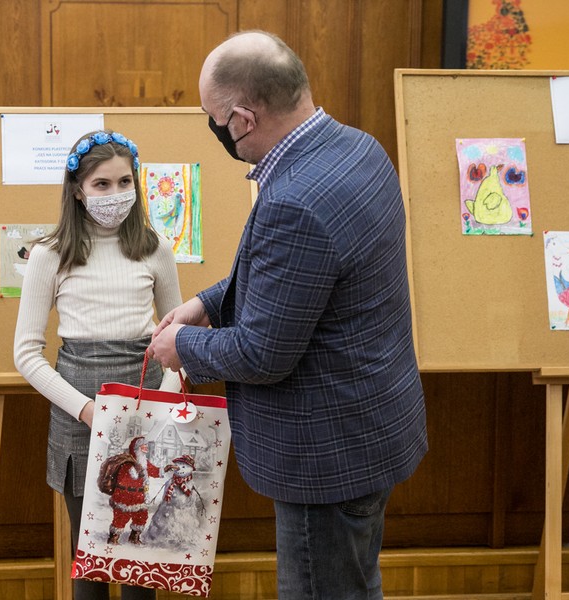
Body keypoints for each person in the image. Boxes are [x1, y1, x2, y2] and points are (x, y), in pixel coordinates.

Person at [148, 31, 428, 599]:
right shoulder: (358, 148)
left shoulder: (294, 200)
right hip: (371, 427)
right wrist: (207, 302)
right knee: (354, 584)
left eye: (214, 120)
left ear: (244, 119)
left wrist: (183, 346)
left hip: (324, 455)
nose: (216, 132)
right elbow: (297, 278)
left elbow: (261, 353)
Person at [14, 130, 182, 600]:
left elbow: (178, 341)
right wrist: (88, 410)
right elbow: (26, 354)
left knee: (139, 555)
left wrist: (158, 403)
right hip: (79, 415)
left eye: (124, 182)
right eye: (101, 185)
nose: (115, 194)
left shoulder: (155, 248)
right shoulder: (50, 255)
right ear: (78, 190)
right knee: (88, 555)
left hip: (149, 411)